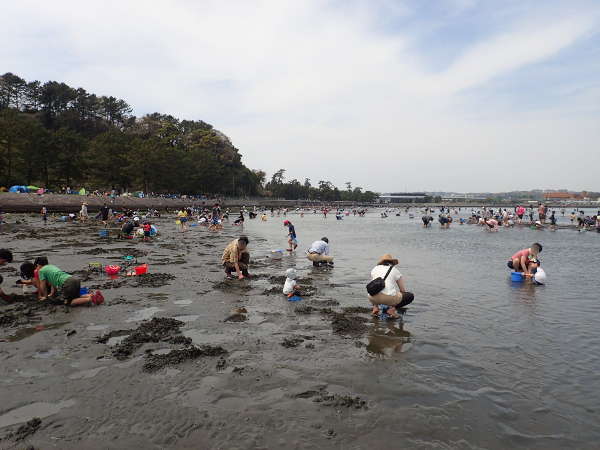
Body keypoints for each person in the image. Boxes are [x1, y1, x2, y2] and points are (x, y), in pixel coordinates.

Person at [36, 258, 104, 306]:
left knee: (69, 302)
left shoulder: (41, 271)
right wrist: (52, 293)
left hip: (68, 283)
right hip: (73, 279)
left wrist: (45, 296)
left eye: (37, 266)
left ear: (39, 265)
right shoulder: (51, 267)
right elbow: (53, 283)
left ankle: (90, 299)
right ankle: (93, 295)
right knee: (77, 296)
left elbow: (43, 285)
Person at [367, 254, 414, 319]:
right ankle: (391, 310)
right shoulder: (394, 270)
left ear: (381, 262)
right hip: (388, 298)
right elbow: (402, 290)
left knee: (376, 289)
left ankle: (375, 308)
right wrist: (397, 302)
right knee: (410, 296)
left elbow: (373, 285)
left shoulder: (375, 269)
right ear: (391, 262)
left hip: (372, 298)